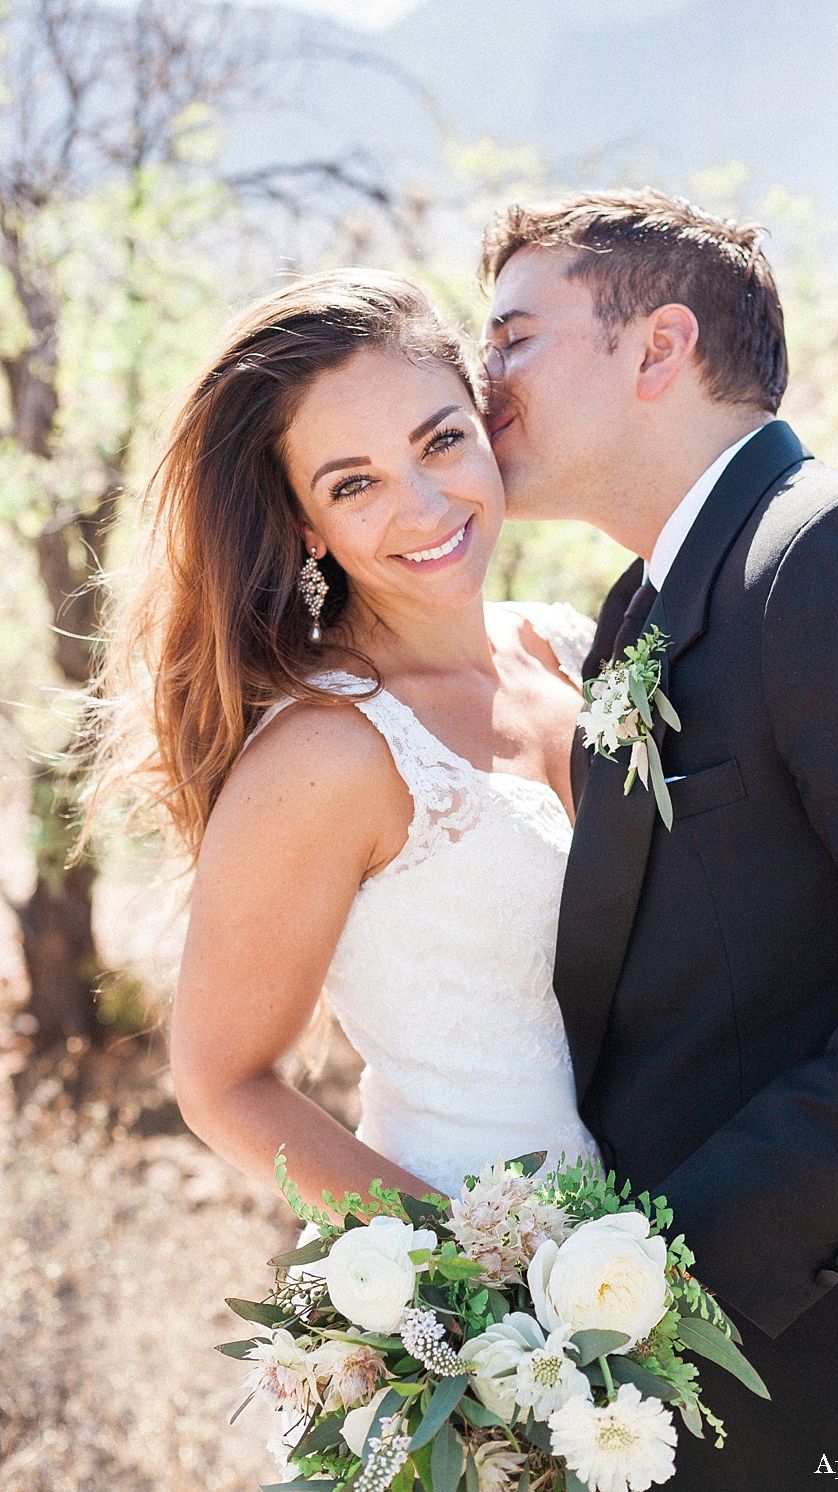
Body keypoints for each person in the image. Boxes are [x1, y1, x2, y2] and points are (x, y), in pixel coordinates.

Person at [479, 189, 838, 1489]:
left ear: (654, 349)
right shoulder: (639, 604)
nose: (480, 384)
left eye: (511, 339)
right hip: (685, 1393)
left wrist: (672, 1264)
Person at [94, 270, 597, 1206]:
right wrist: (462, 1288)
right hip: (491, 1305)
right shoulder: (327, 752)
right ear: (304, 524)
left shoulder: (569, 648)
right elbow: (222, 1082)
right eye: (355, 483)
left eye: (440, 440)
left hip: (683, 1265)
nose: (422, 505)